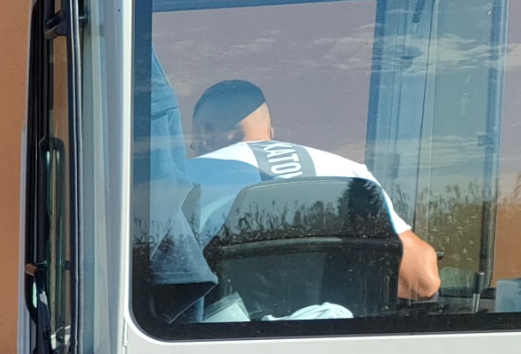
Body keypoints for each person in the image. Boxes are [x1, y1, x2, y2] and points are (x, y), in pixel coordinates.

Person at [189, 79, 441, 300]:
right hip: (340, 334)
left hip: (233, 335)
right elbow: (423, 282)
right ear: (270, 132)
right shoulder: (348, 173)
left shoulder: (190, 177)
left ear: (204, 134)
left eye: (194, 143)